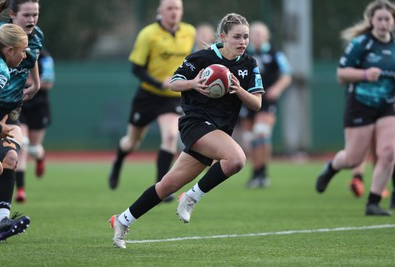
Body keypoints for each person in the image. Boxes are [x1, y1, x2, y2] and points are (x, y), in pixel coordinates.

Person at [108, 12, 264, 249]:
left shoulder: (249, 64)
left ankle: (122, 220)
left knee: (166, 186)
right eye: (237, 37)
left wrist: (238, 89)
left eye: (246, 37)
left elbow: (256, 103)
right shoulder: (201, 58)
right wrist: (194, 83)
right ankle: (191, 197)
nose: (242, 42)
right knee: (236, 159)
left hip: (219, 131)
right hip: (196, 124)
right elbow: (173, 83)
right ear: (223, 36)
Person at [107, 0, 196, 202]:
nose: (174, 12)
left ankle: (162, 187)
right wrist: (159, 84)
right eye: (170, 8)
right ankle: (119, 160)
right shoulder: (148, 34)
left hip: (172, 98)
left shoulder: (189, 31)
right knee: (132, 143)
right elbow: (136, 68)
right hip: (148, 95)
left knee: (170, 137)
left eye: (177, 8)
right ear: (161, 11)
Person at [315, 0, 395, 216]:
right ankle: (332, 167)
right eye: (379, 19)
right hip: (360, 105)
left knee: (388, 152)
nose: (384, 23)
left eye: (387, 18)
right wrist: (365, 74)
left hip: (387, 105)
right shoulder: (361, 44)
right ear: (371, 20)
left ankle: (373, 202)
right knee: (354, 159)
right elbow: (341, 74)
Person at [0, 0, 43, 241]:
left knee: (9, 159)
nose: (32, 19)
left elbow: (33, 57)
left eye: (36, 14)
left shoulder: (32, 40)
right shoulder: (0, 70)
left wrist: (36, 82)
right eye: (27, 14)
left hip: (8, 113)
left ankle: (0, 223)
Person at [238, 21, 292, 188]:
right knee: (250, 139)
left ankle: (263, 172)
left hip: (266, 100)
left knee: (261, 132)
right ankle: (256, 173)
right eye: (253, 33)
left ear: (267, 36)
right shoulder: (244, 55)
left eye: (260, 33)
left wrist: (277, 88)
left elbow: (286, 75)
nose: (256, 36)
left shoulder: (275, 54)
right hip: (247, 100)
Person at [0, 23, 30, 241]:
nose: (25, 56)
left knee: (5, 161)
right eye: (22, 51)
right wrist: (0, 129)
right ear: (9, 50)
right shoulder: (0, 70)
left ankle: (0, 223)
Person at [15, 48, 55, 203]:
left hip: (38, 106)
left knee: (33, 148)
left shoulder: (45, 56)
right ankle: (20, 189)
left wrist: (29, 81)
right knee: (22, 144)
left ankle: (40, 158)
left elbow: (48, 83)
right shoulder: (11, 51)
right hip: (19, 104)